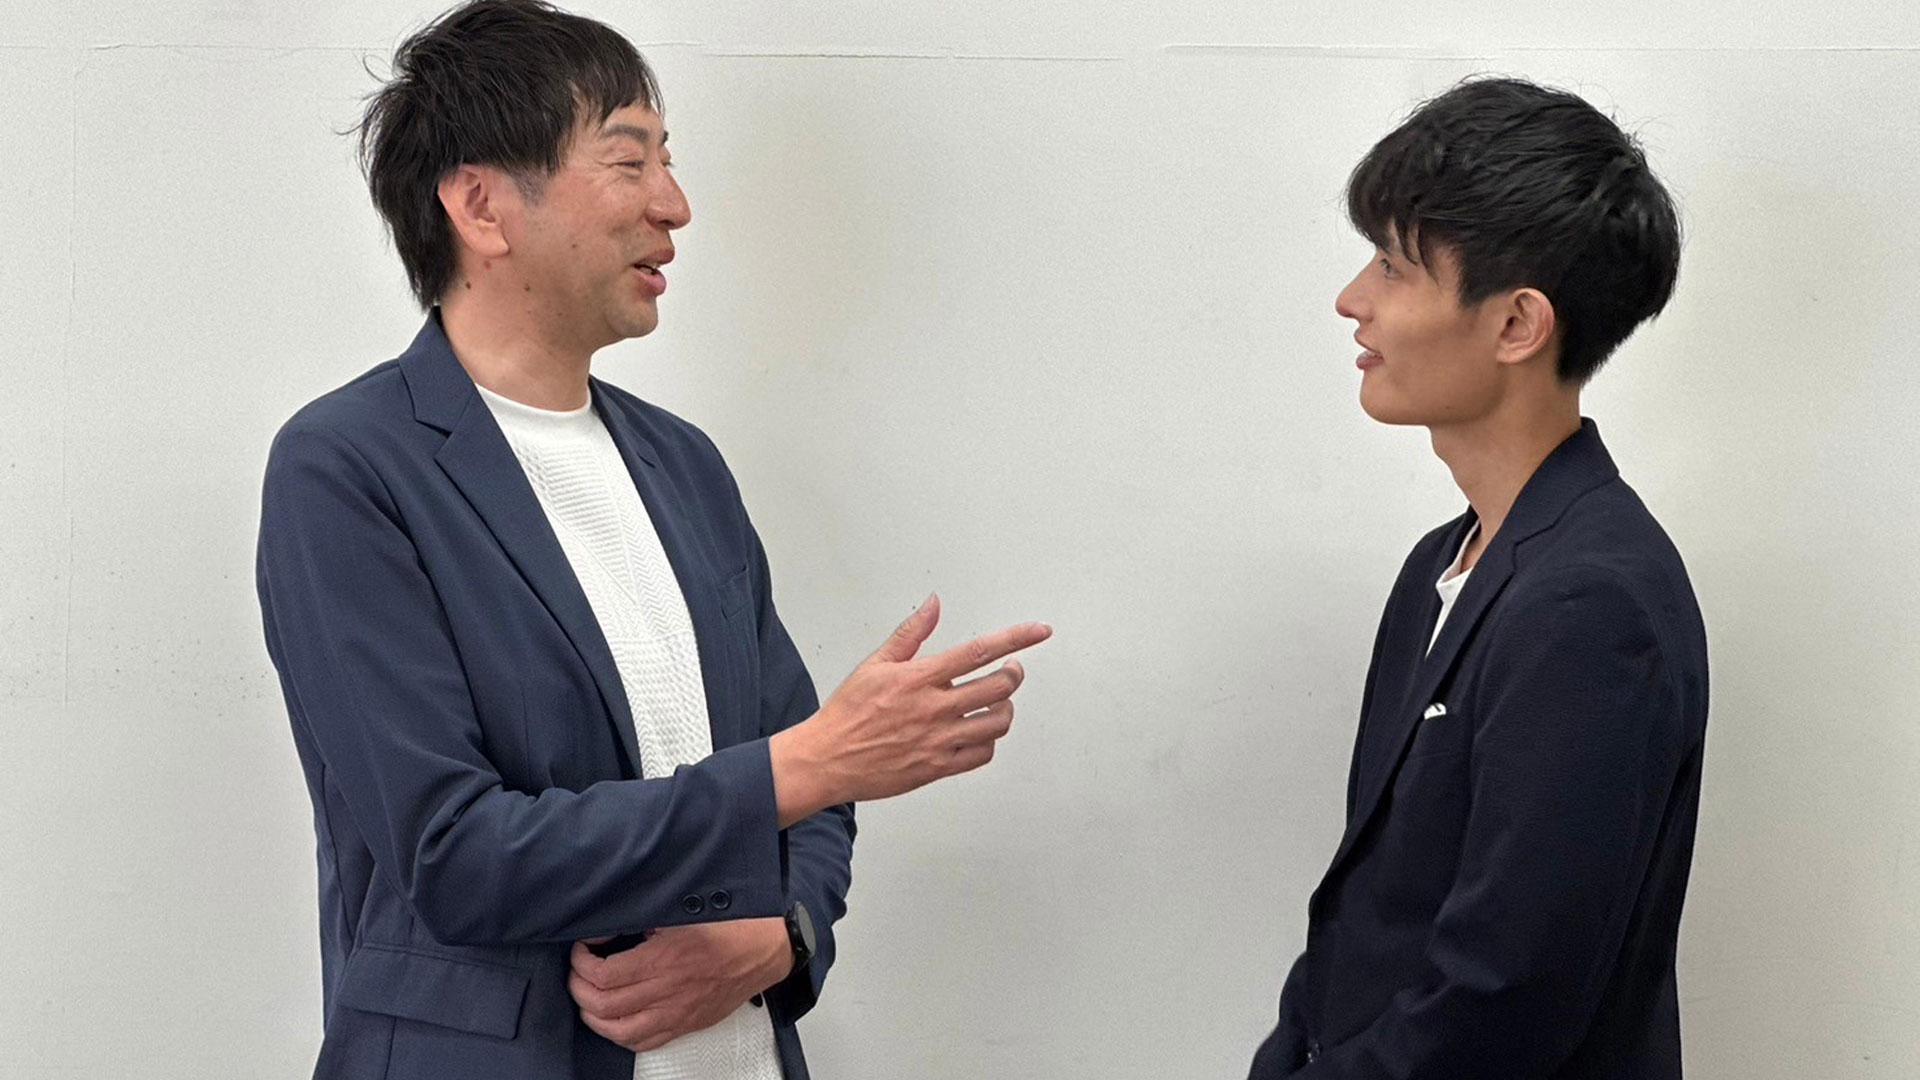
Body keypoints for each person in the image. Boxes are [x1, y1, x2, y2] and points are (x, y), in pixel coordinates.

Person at [254, 3, 1049, 1078]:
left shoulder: (683, 464)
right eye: (629, 162)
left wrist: (782, 938)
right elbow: (453, 853)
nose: (674, 205)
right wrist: (803, 767)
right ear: (482, 205)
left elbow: (810, 786)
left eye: (668, 162)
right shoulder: (348, 468)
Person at [1250, 77, 1706, 1078]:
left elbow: (1503, 995)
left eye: (1393, 265)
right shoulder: (1441, 566)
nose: (1353, 300)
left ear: (1516, 325)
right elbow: (1364, 914)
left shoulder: (1592, 602)